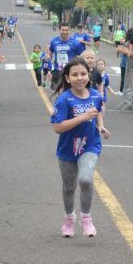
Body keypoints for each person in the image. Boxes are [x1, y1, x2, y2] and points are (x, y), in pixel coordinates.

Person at [50, 57, 110, 238]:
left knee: (85, 179)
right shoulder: (64, 100)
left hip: (90, 145)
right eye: (74, 75)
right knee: (69, 187)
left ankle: (86, 218)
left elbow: (98, 109)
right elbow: (58, 127)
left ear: (89, 75)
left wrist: (100, 125)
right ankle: (69, 218)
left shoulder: (95, 95)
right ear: (67, 78)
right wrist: (82, 118)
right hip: (67, 149)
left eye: (83, 74)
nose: (80, 78)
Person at [48, 22, 84, 90]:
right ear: (59, 30)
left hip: (70, 70)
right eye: (63, 30)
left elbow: (82, 56)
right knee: (57, 89)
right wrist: (48, 65)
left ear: (69, 30)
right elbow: (50, 53)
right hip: (58, 69)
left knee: (69, 90)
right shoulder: (54, 41)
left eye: (67, 30)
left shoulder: (75, 43)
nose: (65, 32)